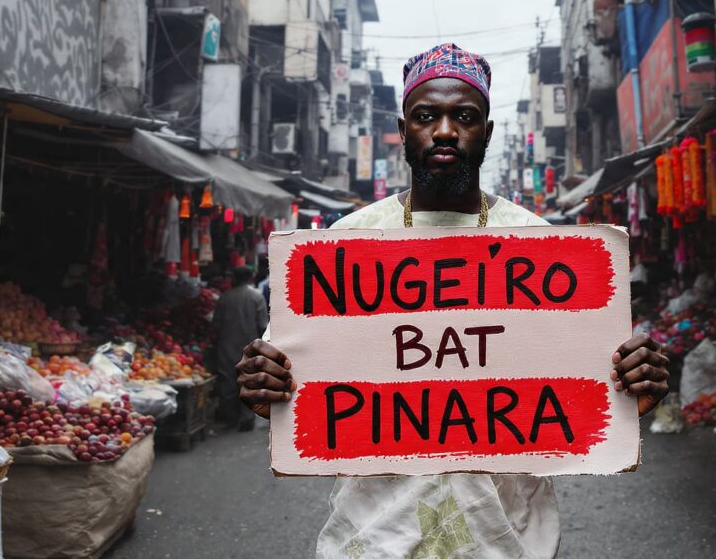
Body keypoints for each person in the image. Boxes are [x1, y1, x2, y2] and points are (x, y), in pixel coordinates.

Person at [236, 43, 670, 557]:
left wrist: (632, 387)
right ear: (403, 131)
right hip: (374, 536)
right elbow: (292, 389)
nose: (444, 130)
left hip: (510, 535)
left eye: (463, 116)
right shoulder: (346, 242)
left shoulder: (540, 243)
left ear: (485, 133)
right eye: (427, 116)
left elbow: (589, 382)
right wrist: (266, 384)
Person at [213, 265, 268, 432]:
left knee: (228, 383)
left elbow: (215, 326)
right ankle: (247, 418)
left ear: (233, 279)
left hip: (226, 346)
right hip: (250, 347)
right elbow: (262, 325)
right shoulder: (256, 297)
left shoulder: (224, 298)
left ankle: (230, 418)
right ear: (251, 277)